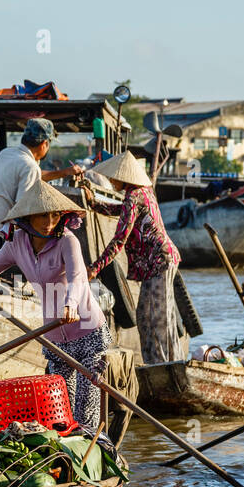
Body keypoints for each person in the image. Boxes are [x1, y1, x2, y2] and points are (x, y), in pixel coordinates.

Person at [0, 180, 110, 432]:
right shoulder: (16, 242)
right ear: (28, 217)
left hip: (86, 331)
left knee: (85, 412)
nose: (49, 221)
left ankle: (92, 451)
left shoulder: (67, 241)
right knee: (61, 411)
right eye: (42, 215)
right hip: (54, 336)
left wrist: (71, 305)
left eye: (54, 214)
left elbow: (77, 279)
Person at [84, 150, 186, 364]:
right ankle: (158, 364)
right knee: (146, 317)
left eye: (114, 178)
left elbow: (120, 239)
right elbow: (121, 211)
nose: (111, 182)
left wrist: (96, 267)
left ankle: (165, 367)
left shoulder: (134, 195)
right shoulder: (142, 192)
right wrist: (94, 204)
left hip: (159, 261)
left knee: (157, 320)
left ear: (124, 177)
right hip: (158, 262)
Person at [0, 117, 84, 264]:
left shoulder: (6, 154)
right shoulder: (29, 166)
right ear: (44, 144)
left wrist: (65, 172)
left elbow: (34, 173)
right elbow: (22, 210)